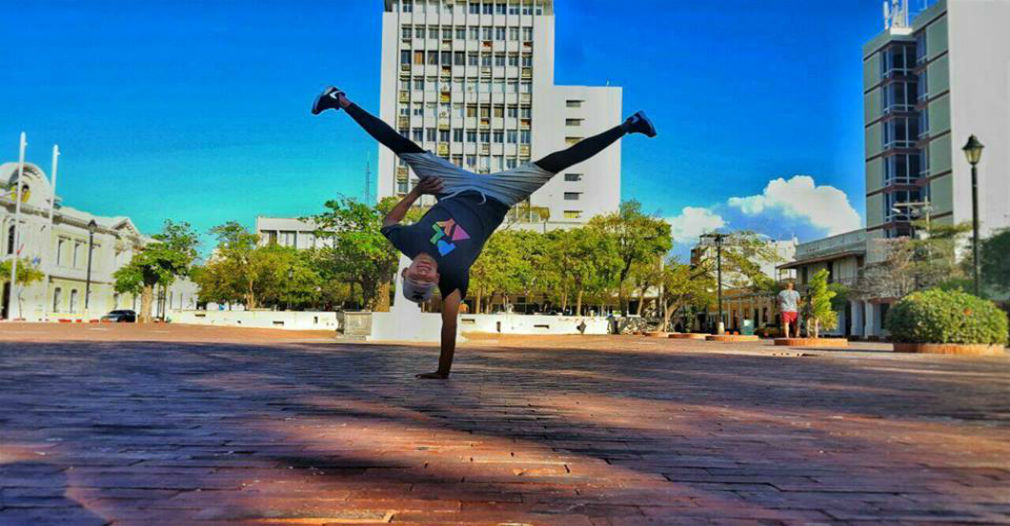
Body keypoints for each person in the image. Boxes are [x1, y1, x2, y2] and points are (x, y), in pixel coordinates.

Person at [313, 86, 656, 378]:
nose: (422, 272)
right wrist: (442, 371)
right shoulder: (453, 275)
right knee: (558, 161)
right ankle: (629, 125)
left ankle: (339, 99)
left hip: (451, 187)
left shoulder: (407, 242)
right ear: (435, 279)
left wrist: (418, 192)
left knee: (401, 147)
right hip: (500, 195)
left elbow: (387, 222)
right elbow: (449, 327)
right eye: (425, 279)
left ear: (406, 271)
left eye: (414, 277)